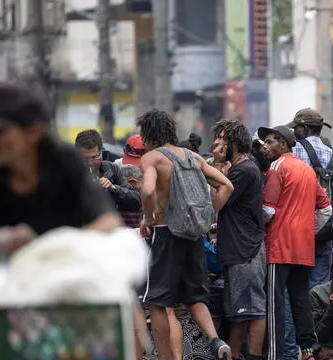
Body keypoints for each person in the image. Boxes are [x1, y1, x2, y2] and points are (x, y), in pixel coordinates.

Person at [137, 109, 235, 360]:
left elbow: (148, 190)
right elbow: (227, 185)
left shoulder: (152, 158)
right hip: (193, 236)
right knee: (195, 298)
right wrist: (208, 214)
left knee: (158, 303)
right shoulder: (192, 156)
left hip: (165, 233)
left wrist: (148, 217)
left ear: (148, 134)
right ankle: (216, 341)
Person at [0, 81, 121, 258]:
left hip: (59, 269)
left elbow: (108, 220)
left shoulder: (64, 161)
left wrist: (62, 247)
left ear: (33, 132)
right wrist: (1, 239)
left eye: (0, 131)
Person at [258, 125, 332, 360]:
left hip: (279, 247)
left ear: (283, 143)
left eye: (269, 142)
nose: (265, 147)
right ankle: (308, 352)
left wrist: (252, 226)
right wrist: (308, 231)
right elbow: (326, 209)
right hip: (304, 248)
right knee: (301, 302)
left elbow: (268, 211)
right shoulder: (307, 170)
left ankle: (275, 354)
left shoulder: (277, 166)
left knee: (275, 303)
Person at [212, 119, 267, 360]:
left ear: (233, 142)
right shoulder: (241, 168)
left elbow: (217, 202)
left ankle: (251, 356)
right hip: (240, 249)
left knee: (252, 310)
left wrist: (216, 164)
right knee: (238, 313)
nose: (216, 142)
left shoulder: (243, 170)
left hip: (246, 250)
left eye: (221, 138)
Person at [287, 108, 333, 286]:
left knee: (292, 289)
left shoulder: (292, 152)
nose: (294, 132)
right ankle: (316, 315)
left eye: (296, 128)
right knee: (319, 288)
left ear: (305, 128)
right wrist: (332, 232)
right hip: (325, 233)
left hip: (294, 231)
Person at [74, 129, 141, 212]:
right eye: (85, 158)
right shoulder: (68, 173)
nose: (90, 163)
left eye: (95, 157)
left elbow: (136, 201)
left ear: (101, 152)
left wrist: (114, 188)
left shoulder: (111, 169)